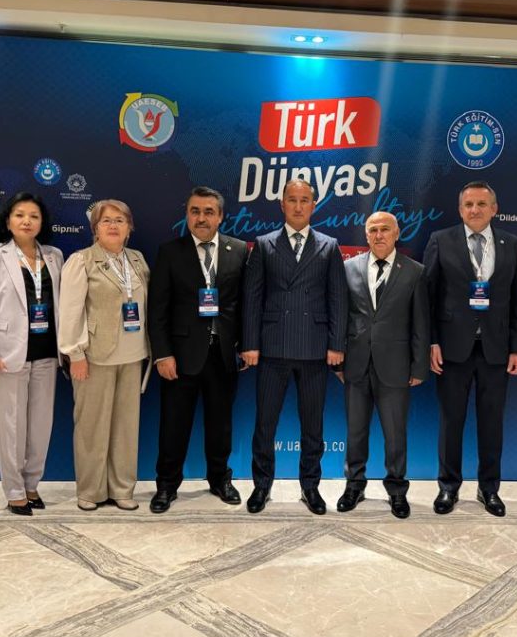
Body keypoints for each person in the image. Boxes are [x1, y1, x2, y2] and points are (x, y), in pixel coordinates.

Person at [241, 179, 348, 515]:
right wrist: (250, 343)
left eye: (304, 200)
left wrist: (336, 345)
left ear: (313, 205)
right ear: (282, 204)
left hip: (315, 349)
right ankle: (262, 486)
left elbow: (338, 299)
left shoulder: (329, 245)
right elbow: (253, 298)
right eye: (292, 200)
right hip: (272, 347)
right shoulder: (264, 244)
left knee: (312, 425)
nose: (298, 206)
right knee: (265, 424)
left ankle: (310, 486)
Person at [423, 181, 517, 517]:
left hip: (496, 350)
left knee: (492, 423)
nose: (475, 210)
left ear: (494, 209)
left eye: (482, 204)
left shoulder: (512, 244)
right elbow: (427, 297)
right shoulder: (441, 240)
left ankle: (489, 489)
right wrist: (431, 341)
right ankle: (448, 487)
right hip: (452, 349)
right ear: (460, 209)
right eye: (468, 204)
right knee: (450, 421)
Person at [147, 186, 248, 513]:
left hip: (224, 354)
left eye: (208, 212)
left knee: (221, 425)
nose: (201, 218)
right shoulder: (170, 252)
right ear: (187, 214)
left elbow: (245, 304)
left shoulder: (238, 250)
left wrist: (247, 346)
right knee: (173, 425)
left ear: (220, 216)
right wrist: (163, 354)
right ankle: (166, 486)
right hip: (180, 357)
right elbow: (157, 309)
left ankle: (220, 480)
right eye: (195, 211)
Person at [0, 192, 63, 516]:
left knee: (40, 425)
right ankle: (14, 491)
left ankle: (31, 484)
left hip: (47, 352)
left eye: (34, 216)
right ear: (8, 221)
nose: (27, 221)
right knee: (11, 426)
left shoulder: (54, 255)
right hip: (7, 354)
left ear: (42, 222)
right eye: (20, 215)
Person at [59, 199, 151, 511]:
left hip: (133, 355)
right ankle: (90, 490)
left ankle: (122, 489)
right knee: (91, 427)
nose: (113, 226)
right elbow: (70, 311)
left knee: (126, 428)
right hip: (94, 357)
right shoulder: (81, 261)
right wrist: (75, 353)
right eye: (106, 221)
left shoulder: (137, 260)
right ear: (95, 228)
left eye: (120, 220)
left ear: (129, 228)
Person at [336, 211, 429, 519]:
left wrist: (418, 367)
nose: (379, 235)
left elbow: (420, 323)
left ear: (396, 233)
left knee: (395, 434)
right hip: (356, 365)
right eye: (373, 230)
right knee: (355, 432)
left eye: (385, 229)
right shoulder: (348, 268)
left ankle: (397, 490)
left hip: (396, 367)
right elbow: (341, 317)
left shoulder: (414, 271)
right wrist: (338, 361)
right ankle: (354, 486)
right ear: (366, 235)